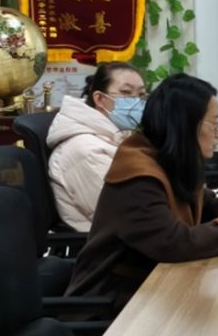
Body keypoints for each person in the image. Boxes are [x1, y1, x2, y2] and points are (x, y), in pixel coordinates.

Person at [65, 73, 218, 312]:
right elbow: (173, 243)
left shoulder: (167, 159)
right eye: (214, 124)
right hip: (113, 305)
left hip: (153, 289)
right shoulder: (138, 175)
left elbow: (205, 202)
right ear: (187, 125)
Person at [46, 62, 147, 232]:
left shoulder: (118, 137)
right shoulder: (85, 151)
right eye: (126, 93)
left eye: (141, 95)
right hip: (114, 243)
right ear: (99, 99)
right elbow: (124, 213)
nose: (136, 101)